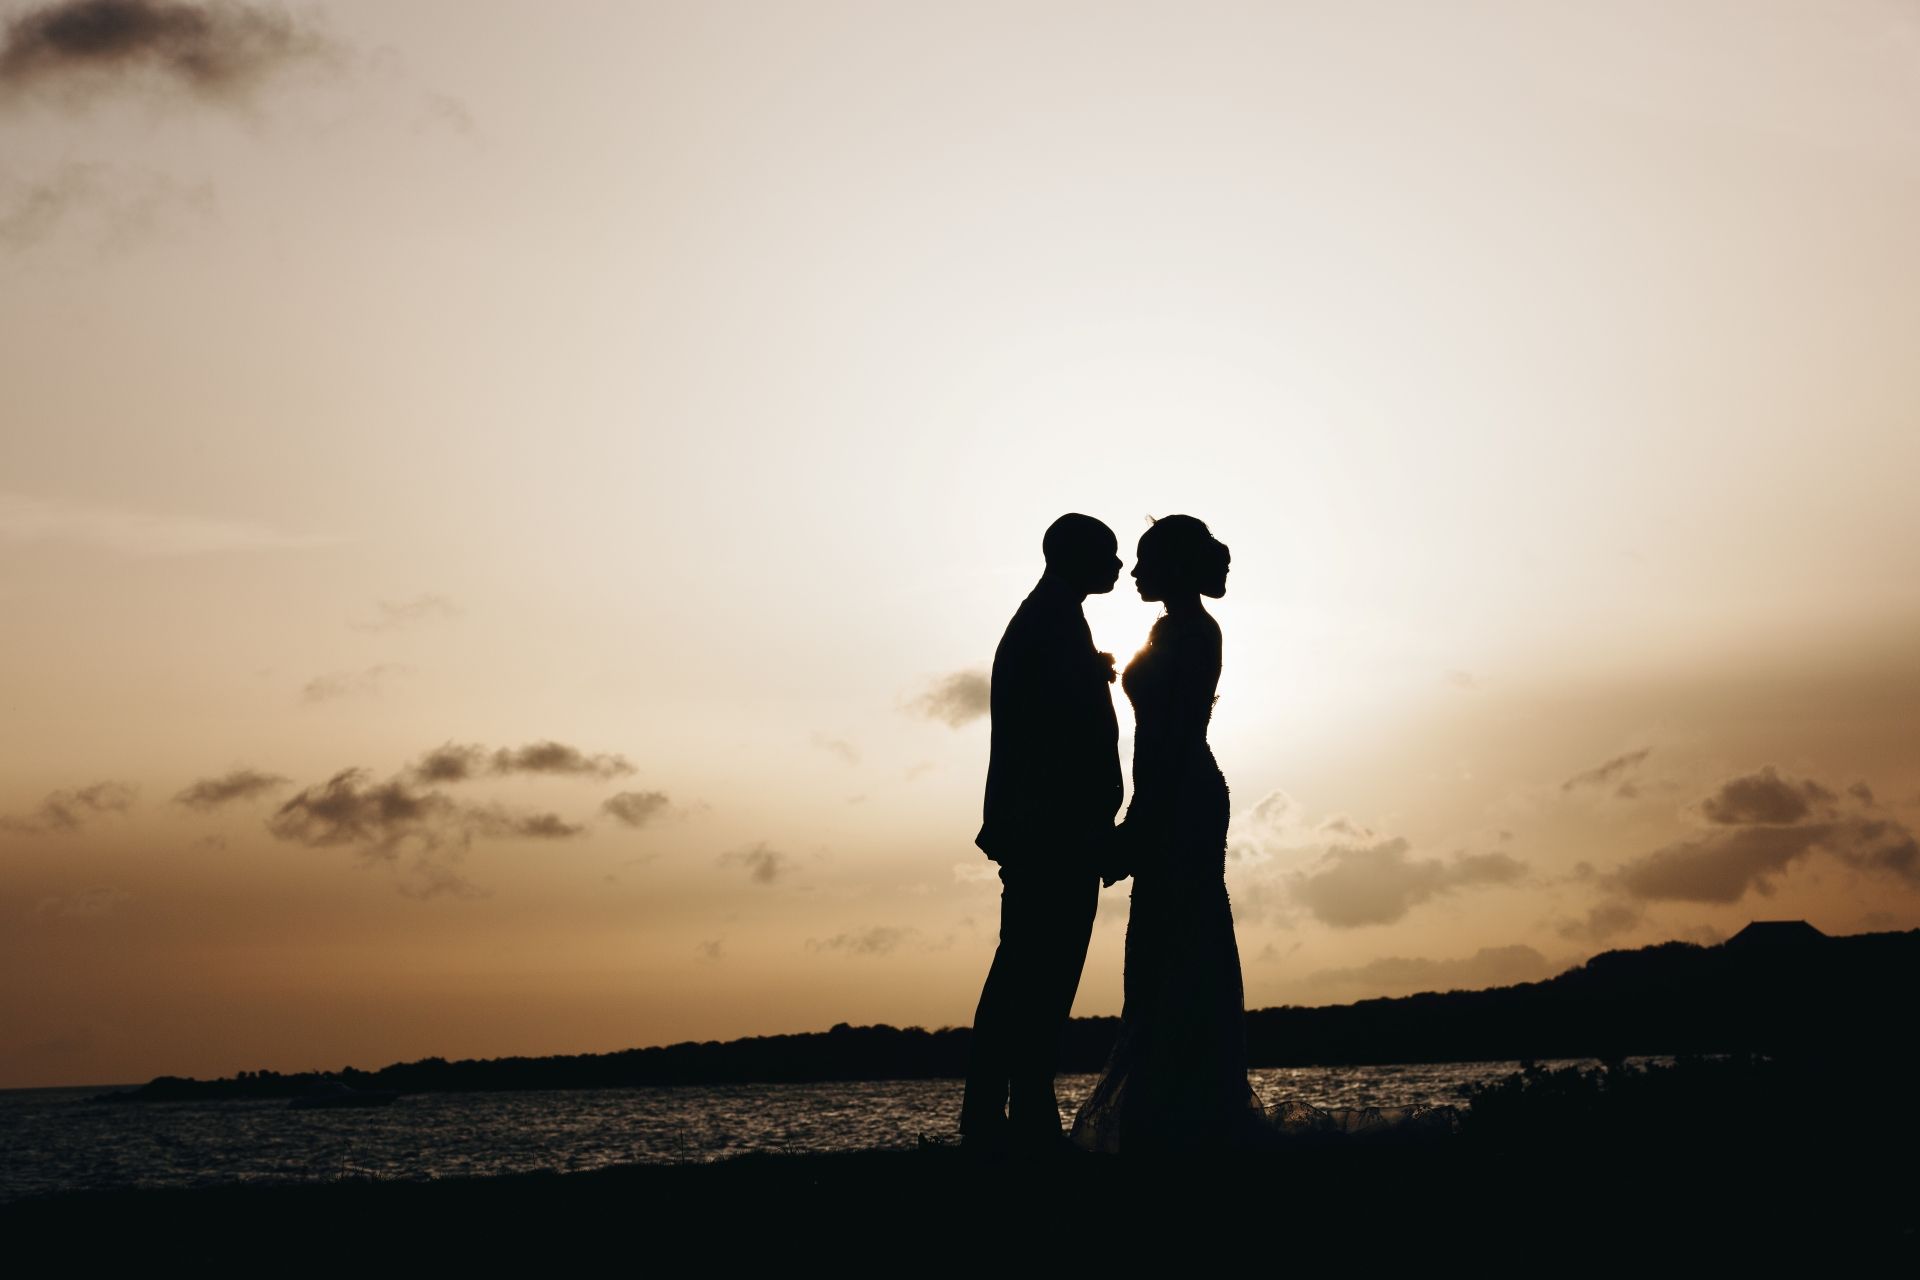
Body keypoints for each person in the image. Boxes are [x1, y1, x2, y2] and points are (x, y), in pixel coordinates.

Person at [1070, 515, 1268, 1153]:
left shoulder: (1193, 631)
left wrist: (1139, 823)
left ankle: (1185, 1113)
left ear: (1174, 568)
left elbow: (1175, 735)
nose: (1133, 573)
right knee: (1162, 948)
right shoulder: (1170, 629)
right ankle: (1171, 1110)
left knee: (1179, 945)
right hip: (1172, 795)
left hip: (1181, 798)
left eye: (1146, 563)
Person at [961, 513, 1125, 1149]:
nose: (1116, 568)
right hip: (1051, 833)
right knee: (1034, 977)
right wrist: (1090, 826)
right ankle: (1007, 1120)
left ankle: (1018, 1116)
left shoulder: (1055, 618)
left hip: (1050, 829)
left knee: (1034, 977)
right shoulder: (1049, 623)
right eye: (1106, 555)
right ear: (1072, 556)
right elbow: (1058, 741)